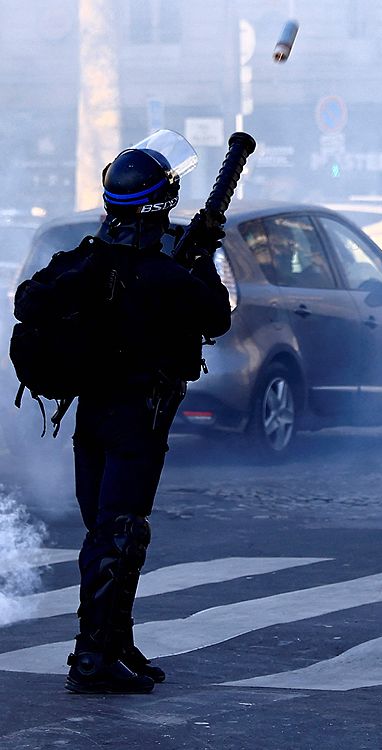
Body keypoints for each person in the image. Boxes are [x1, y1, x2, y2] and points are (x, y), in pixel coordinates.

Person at [13, 130, 232, 694]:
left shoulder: (87, 261)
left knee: (107, 531)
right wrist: (204, 256)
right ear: (161, 206)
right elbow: (215, 316)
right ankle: (92, 656)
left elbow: (29, 299)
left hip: (91, 416)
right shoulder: (161, 275)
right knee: (120, 532)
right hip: (139, 418)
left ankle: (114, 639)